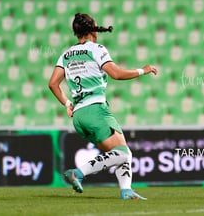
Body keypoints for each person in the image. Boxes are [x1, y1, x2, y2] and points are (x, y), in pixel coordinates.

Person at [49, 13, 157, 200]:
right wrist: (143, 70)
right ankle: (79, 173)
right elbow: (116, 74)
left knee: (123, 152)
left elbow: (53, 84)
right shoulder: (97, 49)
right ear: (93, 30)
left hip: (79, 115)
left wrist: (67, 103)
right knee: (122, 153)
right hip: (96, 110)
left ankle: (126, 191)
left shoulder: (65, 54)